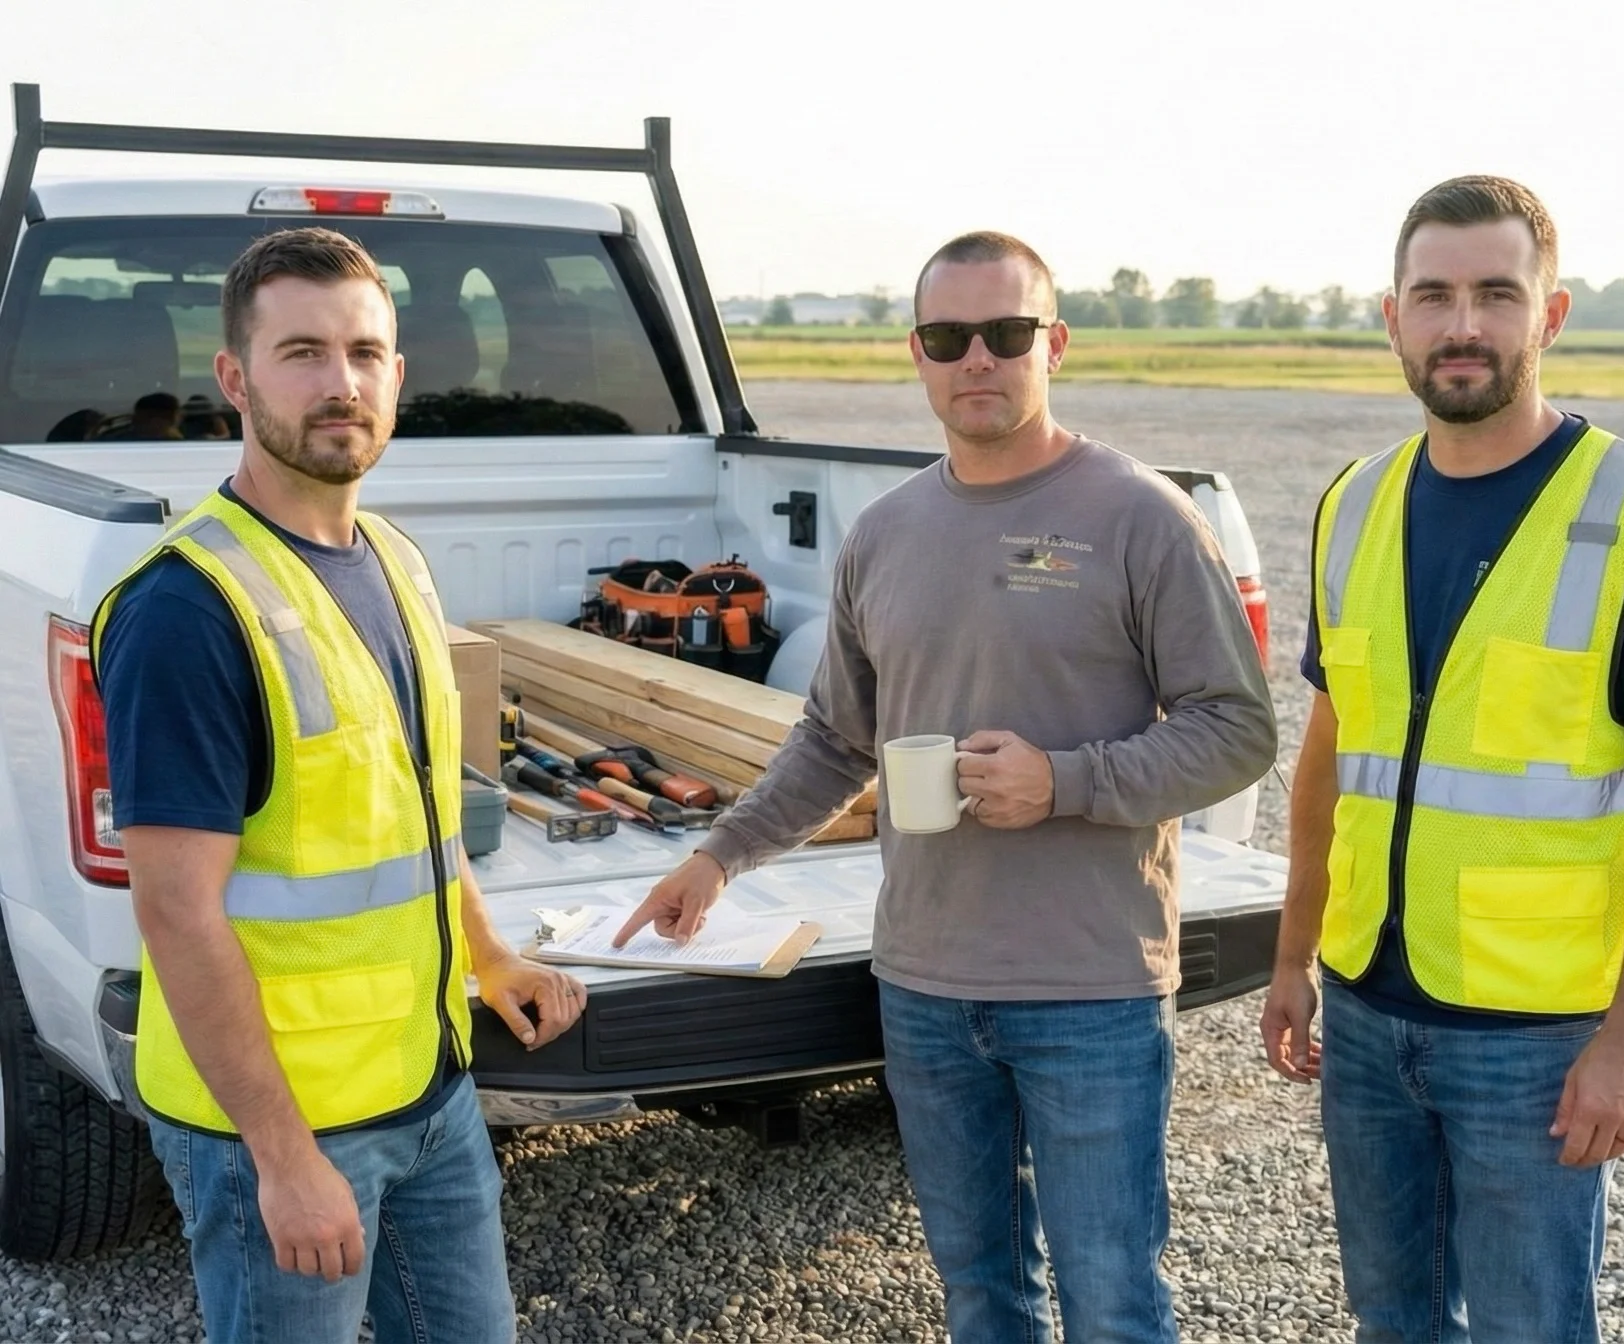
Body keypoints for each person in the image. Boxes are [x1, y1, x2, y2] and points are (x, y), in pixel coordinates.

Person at [617, 231, 1278, 1343]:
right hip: (924, 989)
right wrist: (716, 857)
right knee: (979, 1295)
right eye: (947, 337)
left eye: (1006, 334)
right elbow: (836, 739)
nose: (978, 359)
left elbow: (1240, 731)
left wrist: (1062, 782)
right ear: (915, 354)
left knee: (1115, 1300)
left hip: (1091, 988)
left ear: (1052, 346)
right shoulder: (886, 534)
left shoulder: (1141, 517)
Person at [92, 227, 587, 1343]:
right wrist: (281, 1156)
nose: (341, 385)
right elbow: (176, 910)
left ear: (399, 375)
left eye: (365, 353)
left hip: (426, 1095)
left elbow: (417, 814)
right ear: (234, 378)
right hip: (282, 1130)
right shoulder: (190, 607)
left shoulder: (395, 560)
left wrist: (492, 952)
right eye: (302, 353)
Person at [1260, 176, 1624, 1343]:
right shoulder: (1354, 503)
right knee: (1392, 1321)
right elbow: (1331, 756)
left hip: (1536, 1037)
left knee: (1529, 1328)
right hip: (1367, 1010)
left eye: (1497, 293)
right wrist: (1294, 956)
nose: (1463, 324)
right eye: (1434, 294)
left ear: (1549, 315)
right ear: (1390, 316)